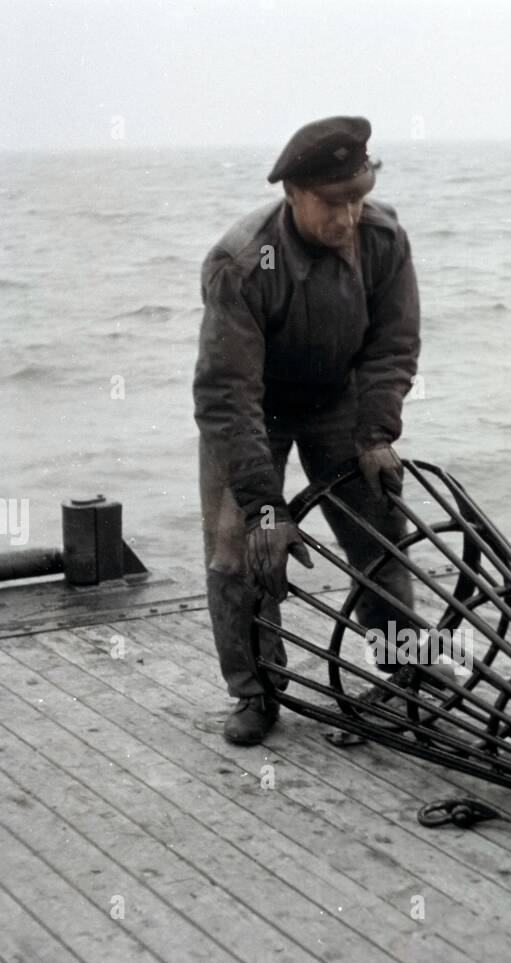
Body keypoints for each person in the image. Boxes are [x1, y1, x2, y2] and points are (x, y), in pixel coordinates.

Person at [193, 115, 421, 744]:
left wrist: (376, 433)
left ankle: (405, 676)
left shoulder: (383, 238)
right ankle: (255, 693)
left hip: (338, 401)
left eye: (358, 198)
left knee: (381, 536)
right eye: (332, 203)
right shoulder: (241, 262)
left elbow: (393, 345)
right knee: (238, 550)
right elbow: (225, 394)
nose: (348, 218)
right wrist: (267, 506)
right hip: (251, 411)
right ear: (291, 192)